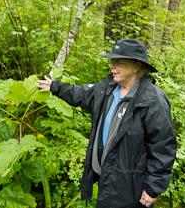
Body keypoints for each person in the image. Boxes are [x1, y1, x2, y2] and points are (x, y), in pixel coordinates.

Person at [38, 38, 177, 208]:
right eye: (112, 61)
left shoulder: (152, 100)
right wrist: (54, 87)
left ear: (136, 66)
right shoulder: (107, 89)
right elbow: (80, 94)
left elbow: (163, 147)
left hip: (131, 187)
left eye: (119, 61)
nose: (112, 65)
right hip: (106, 177)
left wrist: (153, 188)